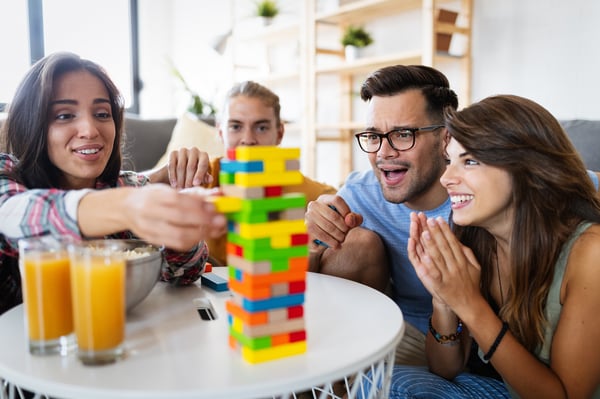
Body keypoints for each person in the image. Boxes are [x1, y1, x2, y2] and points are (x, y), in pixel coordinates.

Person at [304, 65, 600, 367]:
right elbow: (298, 281)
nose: (383, 152)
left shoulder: (492, 204)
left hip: (495, 339)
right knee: (353, 244)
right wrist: (310, 239)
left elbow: (569, 178)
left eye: (403, 134)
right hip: (417, 332)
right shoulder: (360, 194)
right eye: (373, 136)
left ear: (445, 137)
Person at [380, 94, 600, 398]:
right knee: (379, 381)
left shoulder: (590, 253)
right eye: (449, 161)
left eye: (469, 161)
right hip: (492, 387)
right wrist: (444, 297)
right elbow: (445, 369)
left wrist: (470, 304)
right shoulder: (475, 236)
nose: (446, 178)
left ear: (528, 168)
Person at [0, 52, 227, 315]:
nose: (90, 129)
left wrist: (180, 233)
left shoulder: (123, 187)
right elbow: (14, 213)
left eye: (101, 113)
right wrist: (127, 206)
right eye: (64, 115)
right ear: (31, 124)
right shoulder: (7, 174)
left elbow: (184, 274)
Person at [201, 80, 338, 266]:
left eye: (261, 127)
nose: (248, 140)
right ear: (220, 132)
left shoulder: (311, 196)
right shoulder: (200, 179)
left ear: (280, 133)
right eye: (235, 126)